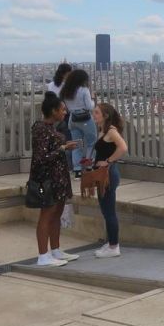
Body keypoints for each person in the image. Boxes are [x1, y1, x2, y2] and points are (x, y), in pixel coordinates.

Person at [30, 92, 79, 267]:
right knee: (47, 215)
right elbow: (41, 157)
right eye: (62, 109)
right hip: (47, 179)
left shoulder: (51, 128)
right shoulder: (41, 129)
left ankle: (56, 250)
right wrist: (63, 148)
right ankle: (43, 255)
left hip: (58, 178)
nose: (64, 112)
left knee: (57, 214)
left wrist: (64, 148)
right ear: (53, 111)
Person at [90, 103, 128, 258]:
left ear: (105, 115)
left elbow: (123, 148)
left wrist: (108, 161)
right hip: (102, 173)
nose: (94, 115)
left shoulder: (111, 131)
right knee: (106, 210)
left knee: (109, 211)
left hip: (108, 174)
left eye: (97, 113)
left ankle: (114, 246)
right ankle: (111, 242)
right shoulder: (103, 130)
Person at [59, 69, 95, 179]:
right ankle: (88, 166)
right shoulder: (84, 90)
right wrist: (93, 99)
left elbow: (67, 106)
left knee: (76, 144)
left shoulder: (66, 90)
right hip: (85, 119)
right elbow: (90, 106)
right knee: (91, 142)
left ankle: (77, 170)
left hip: (72, 119)